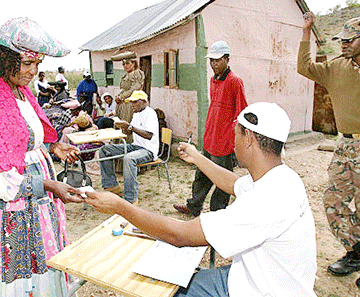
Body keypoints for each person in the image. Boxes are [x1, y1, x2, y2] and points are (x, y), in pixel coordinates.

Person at [84, 102, 317, 296]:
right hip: (250, 277)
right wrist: (197, 158)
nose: (231, 141)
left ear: (249, 139)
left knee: (166, 290)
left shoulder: (267, 200)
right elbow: (233, 183)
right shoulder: (281, 177)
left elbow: (180, 235)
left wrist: (120, 206)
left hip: (260, 291)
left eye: (236, 134)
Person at [0, 17, 84, 296]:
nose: (34, 71)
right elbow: (3, 179)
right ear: (5, 58)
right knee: (23, 270)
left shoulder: (22, 94)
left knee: (46, 263)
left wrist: (54, 148)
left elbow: (27, 142)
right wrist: (48, 186)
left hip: (40, 201)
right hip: (17, 207)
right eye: (27, 63)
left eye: (38, 64)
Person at [298, 13, 360, 286]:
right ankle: (355, 252)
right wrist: (306, 31)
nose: (343, 44)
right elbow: (304, 67)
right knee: (333, 199)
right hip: (345, 144)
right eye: (342, 40)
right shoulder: (337, 68)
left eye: (350, 40)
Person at [174, 40, 247, 216]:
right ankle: (194, 207)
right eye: (211, 60)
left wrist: (237, 143)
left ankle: (217, 215)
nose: (214, 64)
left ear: (227, 59)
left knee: (222, 182)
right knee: (201, 176)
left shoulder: (235, 81)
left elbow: (242, 113)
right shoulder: (213, 80)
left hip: (224, 143)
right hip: (210, 139)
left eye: (218, 60)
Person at [99, 90, 158, 203]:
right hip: (135, 146)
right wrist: (123, 127)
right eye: (131, 102)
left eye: (134, 102)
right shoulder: (136, 113)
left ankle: (131, 199)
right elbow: (131, 133)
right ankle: (111, 185)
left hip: (148, 150)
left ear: (143, 101)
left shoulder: (150, 113)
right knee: (105, 150)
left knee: (129, 159)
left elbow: (149, 135)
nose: (132, 105)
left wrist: (130, 127)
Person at [115, 55, 145, 142]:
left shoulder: (137, 73)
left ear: (134, 63)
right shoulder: (127, 75)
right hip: (124, 103)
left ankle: (129, 146)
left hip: (131, 104)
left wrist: (121, 97)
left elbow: (134, 88)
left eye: (127, 63)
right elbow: (124, 89)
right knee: (121, 125)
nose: (125, 66)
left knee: (128, 125)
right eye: (123, 64)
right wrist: (118, 96)